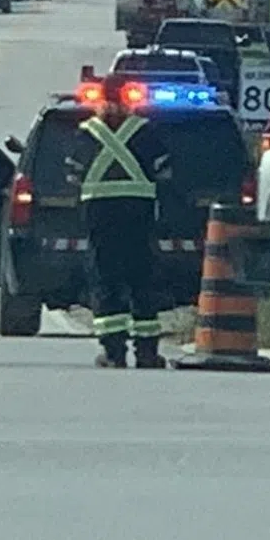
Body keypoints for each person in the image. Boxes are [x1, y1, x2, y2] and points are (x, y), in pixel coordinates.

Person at [75, 72, 173, 368]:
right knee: (142, 278)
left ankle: (114, 351)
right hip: (138, 215)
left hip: (100, 217)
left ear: (101, 99)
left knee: (105, 279)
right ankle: (147, 351)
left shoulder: (86, 133)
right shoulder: (145, 132)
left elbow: (72, 174)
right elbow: (165, 172)